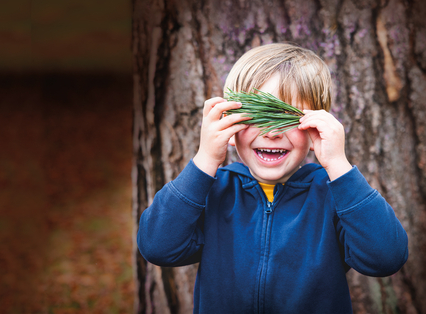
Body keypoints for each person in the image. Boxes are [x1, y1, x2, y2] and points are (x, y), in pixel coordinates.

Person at [137, 43, 408, 314]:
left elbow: (386, 258)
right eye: (259, 115)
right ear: (230, 125)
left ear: (316, 126)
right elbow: (158, 247)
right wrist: (205, 160)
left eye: (287, 116)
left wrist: (339, 166)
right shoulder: (212, 192)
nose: (272, 132)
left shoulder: (332, 196)